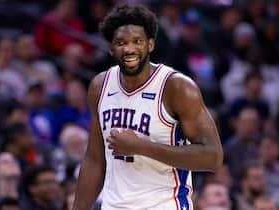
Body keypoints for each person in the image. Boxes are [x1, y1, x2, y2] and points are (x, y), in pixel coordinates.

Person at [73, 4, 223, 210]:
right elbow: (94, 159)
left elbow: (212, 157)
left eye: (137, 41)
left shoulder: (176, 87)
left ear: (150, 44)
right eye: (121, 42)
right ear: (110, 48)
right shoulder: (100, 86)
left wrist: (142, 147)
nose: (129, 49)